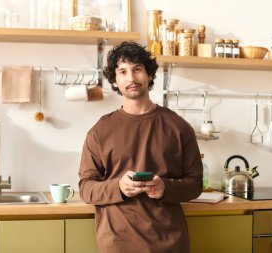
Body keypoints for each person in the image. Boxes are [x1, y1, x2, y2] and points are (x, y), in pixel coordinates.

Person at [78, 41, 203, 253]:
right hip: (117, 243)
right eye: (123, 72)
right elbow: (86, 188)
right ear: (115, 81)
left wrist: (165, 187)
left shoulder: (179, 127)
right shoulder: (99, 131)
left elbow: (195, 184)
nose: (131, 78)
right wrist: (119, 187)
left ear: (150, 75)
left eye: (137, 69)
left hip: (169, 243)